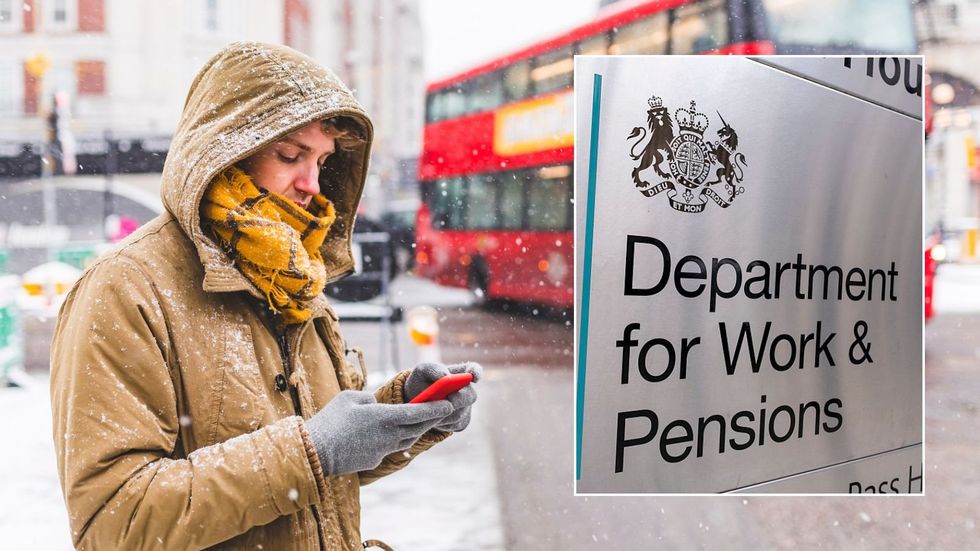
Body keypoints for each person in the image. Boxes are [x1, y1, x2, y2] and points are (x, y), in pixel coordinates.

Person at [49, 41, 480, 551]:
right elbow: (113, 522)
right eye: (291, 155)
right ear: (223, 149)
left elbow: (314, 478)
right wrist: (315, 450)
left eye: (321, 160)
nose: (313, 185)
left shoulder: (292, 277)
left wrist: (400, 412)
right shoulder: (125, 288)